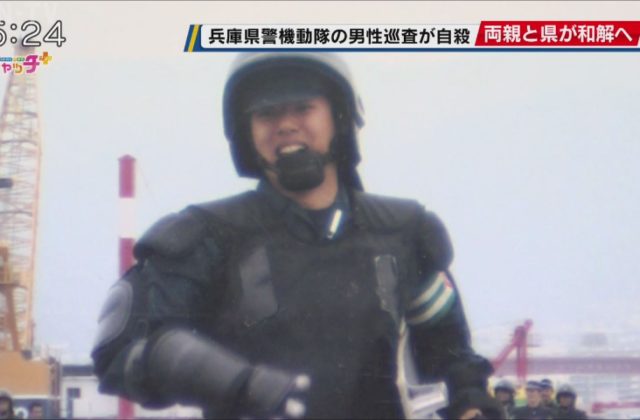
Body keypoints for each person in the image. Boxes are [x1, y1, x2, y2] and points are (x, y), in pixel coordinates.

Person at [91, 52, 503, 419]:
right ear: (246, 131)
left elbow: (450, 350)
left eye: (303, 108)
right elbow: (122, 352)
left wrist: (469, 401)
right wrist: (232, 382)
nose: (286, 125)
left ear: (338, 117)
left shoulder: (401, 233)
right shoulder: (207, 237)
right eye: (267, 114)